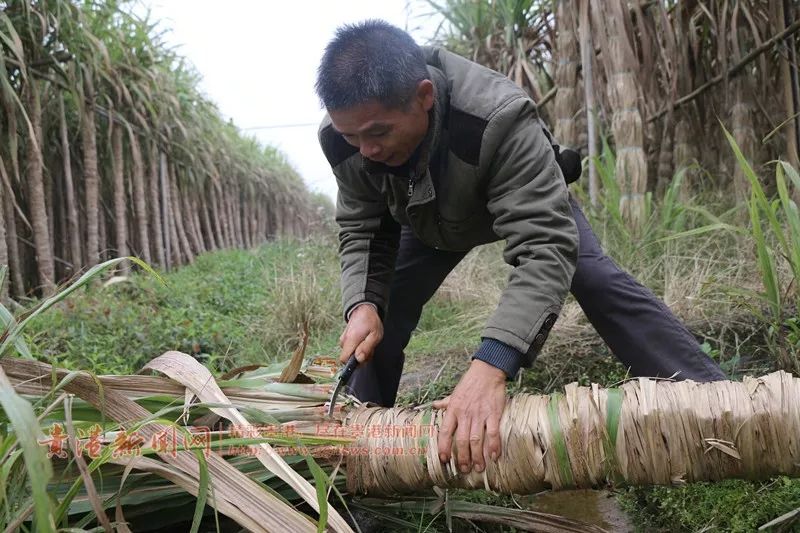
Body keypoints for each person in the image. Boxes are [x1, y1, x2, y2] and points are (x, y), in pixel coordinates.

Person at [315, 20, 725, 476]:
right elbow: (363, 227)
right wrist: (363, 304)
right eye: (354, 137)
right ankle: (364, 452)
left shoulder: (495, 116)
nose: (366, 150)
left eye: (378, 133)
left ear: (424, 96)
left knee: (593, 277)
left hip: (524, 198)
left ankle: (717, 406)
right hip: (426, 217)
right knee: (375, 320)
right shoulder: (345, 138)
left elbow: (545, 246)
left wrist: (492, 365)